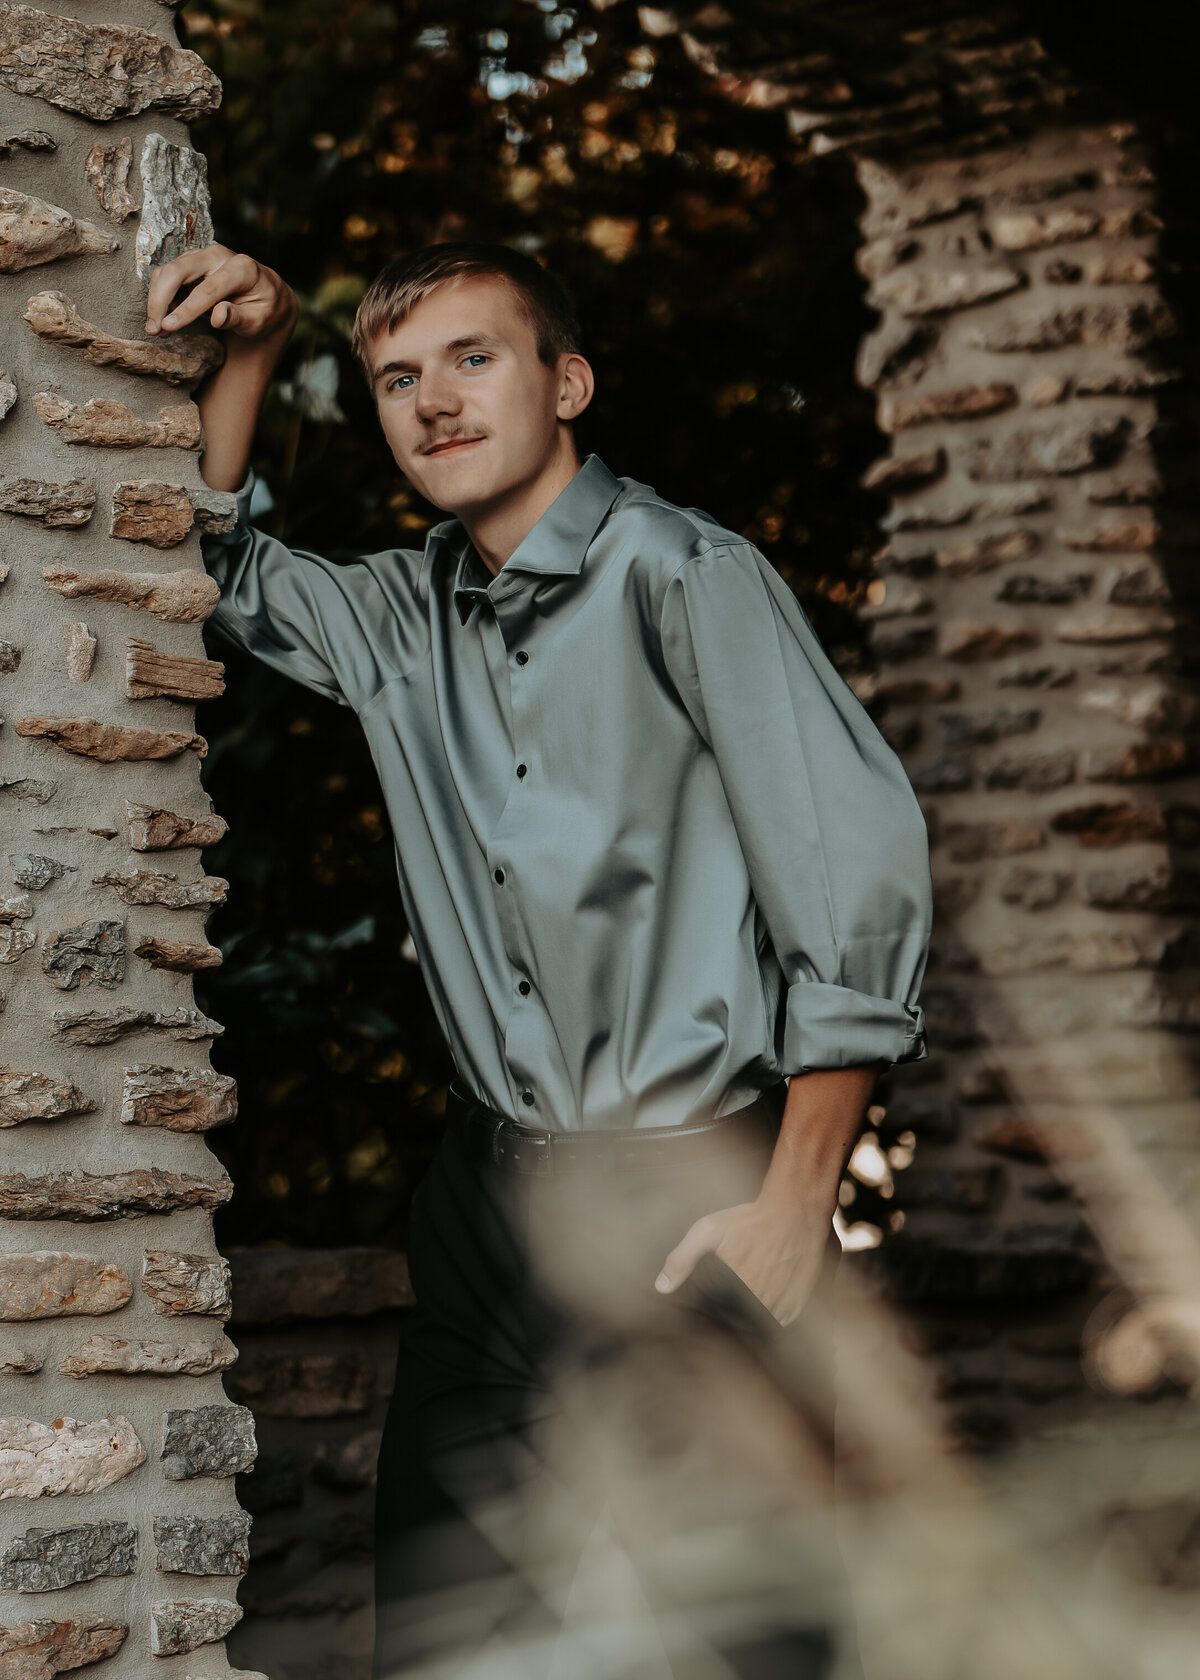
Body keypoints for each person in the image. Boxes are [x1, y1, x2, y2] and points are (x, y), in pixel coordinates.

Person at [147, 239, 932, 1678]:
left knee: (744, 1641)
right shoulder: (397, 618)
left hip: (691, 1190)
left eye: (472, 358)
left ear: (567, 382)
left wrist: (789, 1207)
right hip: (487, 1197)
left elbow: (852, 885)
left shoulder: (694, 579)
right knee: (450, 1635)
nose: (433, 402)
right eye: (396, 377)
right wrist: (252, 349)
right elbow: (195, 561)